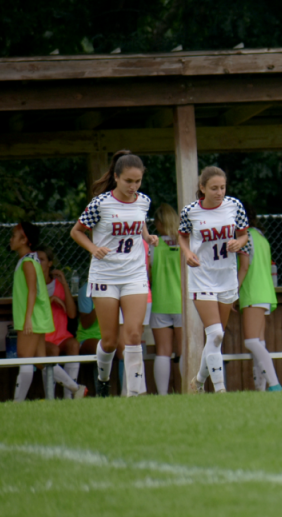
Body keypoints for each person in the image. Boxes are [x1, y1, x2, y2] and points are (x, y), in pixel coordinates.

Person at [70, 149, 157, 397]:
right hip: (105, 277)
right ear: (116, 177)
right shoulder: (101, 203)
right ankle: (103, 378)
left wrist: (148, 236)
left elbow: (139, 222)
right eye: (128, 181)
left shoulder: (143, 201)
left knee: (133, 335)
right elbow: (76, 231)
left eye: (137, 181)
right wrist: (93, 248)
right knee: (109, 341)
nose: (133, 186)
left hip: (134, 275)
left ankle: (135, 392)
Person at [180, 166, 249, 394]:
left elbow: (243, 234)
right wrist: (188, 253)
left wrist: (239, 243)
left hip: (226, 275)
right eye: (214, 188)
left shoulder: (234, 206)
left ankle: (199, 381)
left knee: (217, 338)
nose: (219, 192)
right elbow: (182, 236)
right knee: (216, 333)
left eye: (222, 187)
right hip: (202, 276)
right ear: (202, 188)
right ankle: (220, 390)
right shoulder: (190, 211)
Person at [237, 201, 282, 392]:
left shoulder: (244, 237)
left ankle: (274, 384)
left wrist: (233, 292)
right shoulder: (261, 236)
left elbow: (245, 266)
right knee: (259, 342)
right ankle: (261, 390)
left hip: (252, 292)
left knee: (251, 342)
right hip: (265, 291)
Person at [37, 247, 89, 399]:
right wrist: (50, 300)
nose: (38, 262)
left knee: (73, 344)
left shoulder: (58, 284)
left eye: (42, 259)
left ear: (50, 263)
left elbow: (72, 314)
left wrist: (64, 283)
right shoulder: (33, 285)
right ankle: (50, 397)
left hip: (61, 335)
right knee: (52, 350)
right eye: (36, 259)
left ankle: (69, 396)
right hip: (43, 337)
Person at [11, 221, 54, 402]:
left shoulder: (28, 262)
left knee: (25, 357)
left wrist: (28, 318)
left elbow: (33, 290)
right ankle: (75, 388)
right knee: (41, 361)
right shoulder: (29, 260)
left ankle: (17, 403)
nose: (11, 239)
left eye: (14, 236)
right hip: (36, 317)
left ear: (25, 240)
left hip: (32, 318)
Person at [149, 204, 184, 395]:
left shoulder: (153, 245)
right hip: (182, 304)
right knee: (184, 350)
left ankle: (163, 395)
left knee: (162, 351)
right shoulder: (185, 243)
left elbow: (148, 272)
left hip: (160, 302)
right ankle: (189, 389)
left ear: (160, 223)